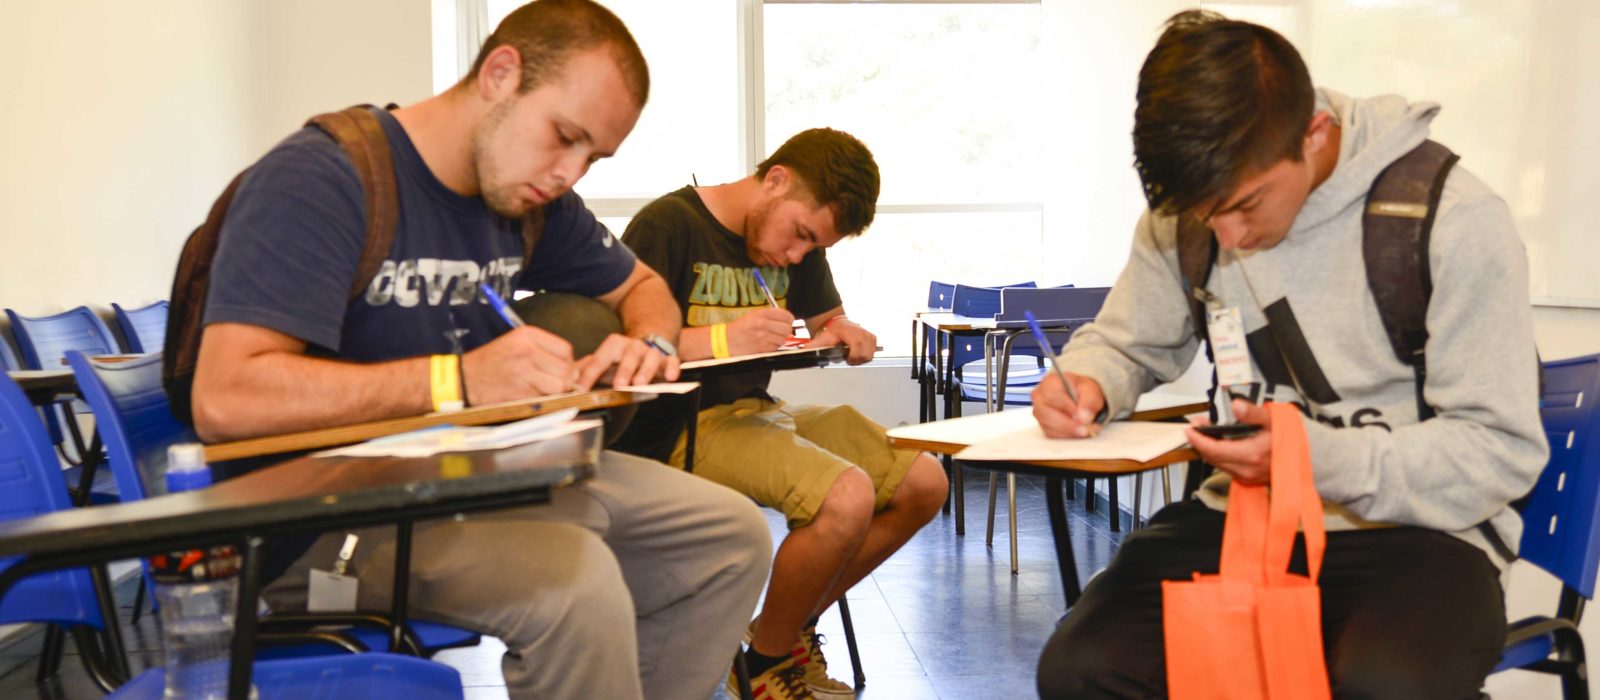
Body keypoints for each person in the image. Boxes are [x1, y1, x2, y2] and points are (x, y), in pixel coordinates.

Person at [188, 2, 771, 698]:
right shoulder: (323, 179)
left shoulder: (528, 199)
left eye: (594, 157)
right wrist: (457, 379)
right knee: (574, 589)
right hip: (320, 519)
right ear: (500, 74)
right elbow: (224, 398)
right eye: (564, 137)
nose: (569, 174)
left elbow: (644, 285)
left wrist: (646, 339)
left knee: (729, 536)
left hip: (458, 471)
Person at [1031, 11, 1546, 699]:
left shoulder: (1454, 221)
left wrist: (1313, 457)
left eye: (1246, 204)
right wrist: (1090, 379)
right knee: (1082, 668)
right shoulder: (1196, 211)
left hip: (1421, 532)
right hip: (1239, 519)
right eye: (1205, 215)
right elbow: (1126, 340)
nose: (1228, 236)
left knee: (1382, 682)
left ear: (1315, 134)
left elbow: (1496, 452)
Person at [613, 128, 949, 700]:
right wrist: (723, 340)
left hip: (756, 411)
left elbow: (825, 321)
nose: (796, 256)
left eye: (812, 247)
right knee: (845, 497)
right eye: (799, 236)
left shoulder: (800, 246)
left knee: (924, 481)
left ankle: (777, 632)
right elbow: (625, 346)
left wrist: (843, 332)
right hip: (677, 426)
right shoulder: (669, 224)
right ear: (775, 179)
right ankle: (765, 667)